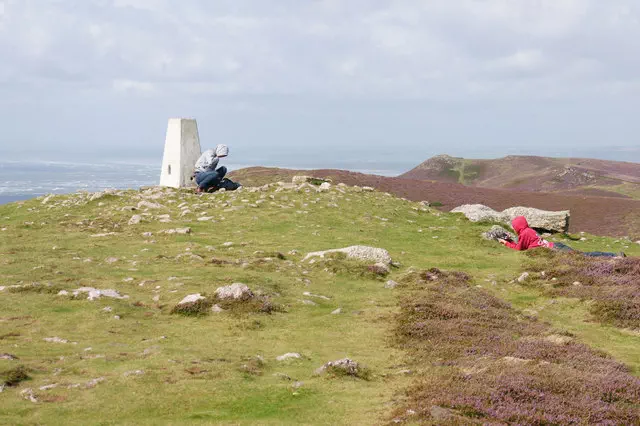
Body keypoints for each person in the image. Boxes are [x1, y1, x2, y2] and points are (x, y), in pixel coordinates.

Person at [498, 216, 624, 258]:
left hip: (556, 250)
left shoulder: (525, 233)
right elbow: (524, 245)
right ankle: (613, 255)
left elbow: (519, 248)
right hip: (556, 246)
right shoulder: (529, 230)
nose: (514, 229)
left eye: (515, 227)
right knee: (584, 255)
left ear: (518, 226)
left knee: (585, 256)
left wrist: (506, 243)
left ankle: (614, 256)